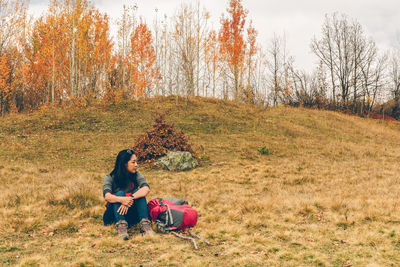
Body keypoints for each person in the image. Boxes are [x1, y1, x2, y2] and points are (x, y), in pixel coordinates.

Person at [102, 149, 155, 240]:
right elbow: (107, 196)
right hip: (113, 216)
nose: (136, 165)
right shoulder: (110, 177)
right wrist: (122, 199)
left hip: (131, 214)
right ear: (124, 163)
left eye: (136, 162)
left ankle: (146, 225)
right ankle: (121, 227)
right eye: (133, 162)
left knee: (137, 192)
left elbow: (146, 189)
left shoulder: (137, 175)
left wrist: (130, 199)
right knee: (119, 194)